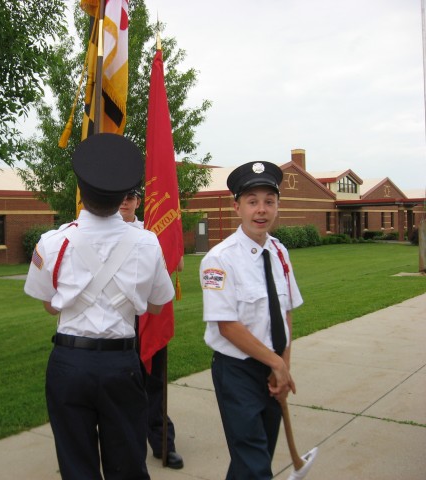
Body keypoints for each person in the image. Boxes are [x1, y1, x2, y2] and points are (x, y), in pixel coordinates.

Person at [24, 133, 176, 480]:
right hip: (121, 363)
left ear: (80, 188)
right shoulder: (147, 243)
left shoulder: (53, 242)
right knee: (127, 465)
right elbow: (156, 305)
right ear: (126, 195)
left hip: (69, 362)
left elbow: (49, 305)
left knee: (77, 466)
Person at [199, 161, 303, 480]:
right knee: (255, 462)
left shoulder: (280, 252)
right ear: (237, 207)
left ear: (277, 207)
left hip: (272, 369)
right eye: (252, 201)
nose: (261, 210)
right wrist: (276, 363)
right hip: (238, 372)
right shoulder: (218, 259)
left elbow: (285, 314)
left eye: (269, 201)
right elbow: (226, 326)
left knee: (253, 461)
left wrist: (282, 368)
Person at [119, 189, 184, 470]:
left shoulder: (152, 230)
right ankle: (123, 446)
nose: (125, 201)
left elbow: (176, 262)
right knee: (119, 386)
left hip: (149, 314)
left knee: (154, 382)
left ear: (138, 201)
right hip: (116, 320)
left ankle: (162, 442)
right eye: (120, 196)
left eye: (131, 196)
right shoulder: (101, 230)